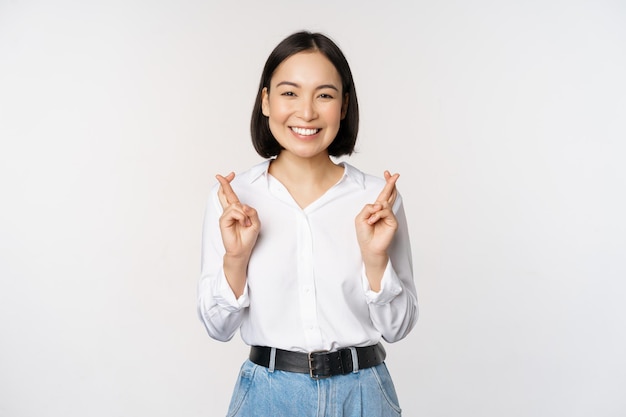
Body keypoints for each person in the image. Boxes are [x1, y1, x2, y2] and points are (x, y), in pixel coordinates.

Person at [198, 30, 418, 417]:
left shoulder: (376, 200)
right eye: (289, 93)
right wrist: (236, 259)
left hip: (363, 395)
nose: (307, 112)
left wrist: (375, 260)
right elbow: (218, 328)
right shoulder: (236, 199)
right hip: (268, 397)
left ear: (344, 105)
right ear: (265, 101)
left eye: (325, 95)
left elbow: (397, 328)